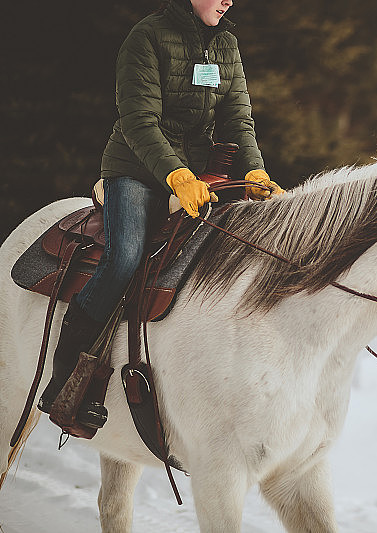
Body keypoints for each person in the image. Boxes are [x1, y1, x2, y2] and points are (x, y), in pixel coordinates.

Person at [38, 0, 283, 424]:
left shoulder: (226, 43)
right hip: (135, 170)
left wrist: (254, 170)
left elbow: (237, 121)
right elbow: (139, 121)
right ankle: (65, 381)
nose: (229, 0)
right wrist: (177, 175)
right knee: (124, 258)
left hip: (199, 176)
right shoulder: (147, 36)